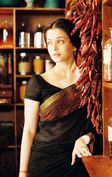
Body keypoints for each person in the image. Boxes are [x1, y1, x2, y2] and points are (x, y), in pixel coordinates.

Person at [18, 18, 97, 177]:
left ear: (74, 44)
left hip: (77, 161)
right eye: (49, 42)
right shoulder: (37, 83)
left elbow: (97, 126)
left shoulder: (89, 81)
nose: (53, 47)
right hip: (43, 163)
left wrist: (84, 139)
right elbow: (29, 130)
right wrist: (23, 172)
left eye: (60, 41)